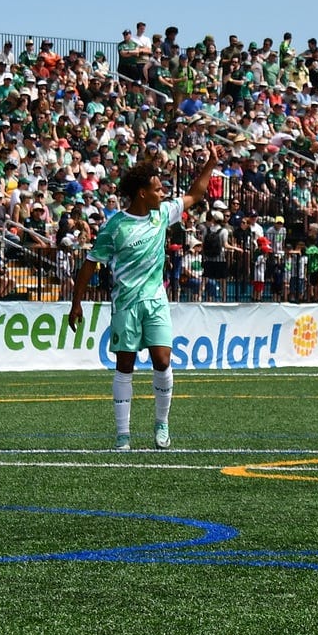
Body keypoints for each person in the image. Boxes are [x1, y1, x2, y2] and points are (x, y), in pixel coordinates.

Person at [68, 148, 222, 450]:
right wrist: (76, 302)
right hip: (126, 303)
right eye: (157, 188)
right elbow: (89, 264)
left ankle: (162, 422)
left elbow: (195, 194)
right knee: (125, 365)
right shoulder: (114, 227)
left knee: (162, 360)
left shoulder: (161, 214)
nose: (162, 192)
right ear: (142, 193)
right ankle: (123, 434)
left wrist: (211, 164)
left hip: (155, 301)